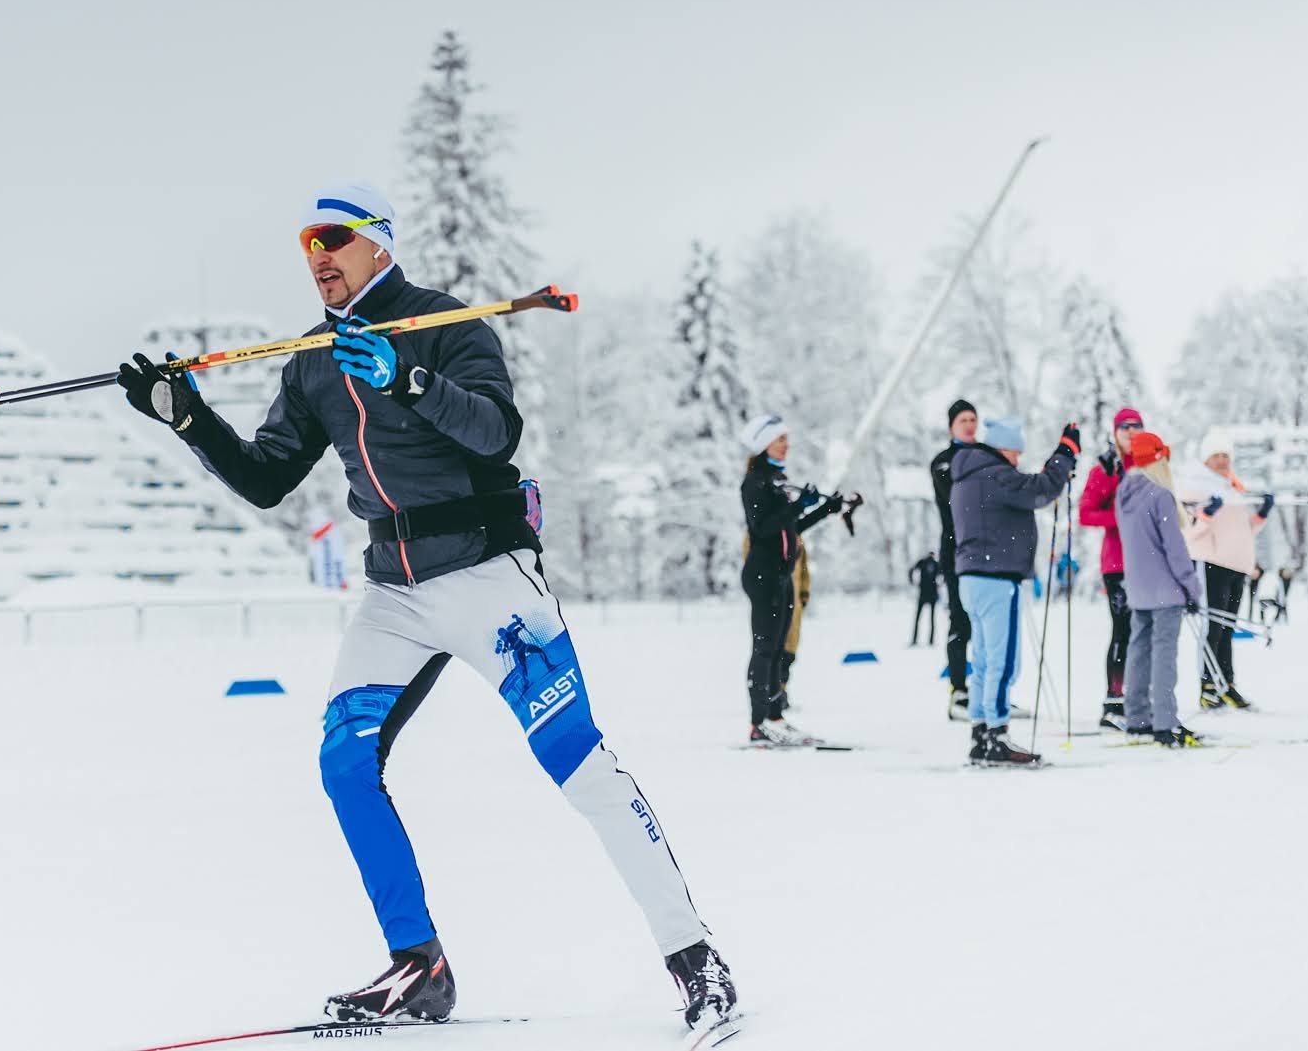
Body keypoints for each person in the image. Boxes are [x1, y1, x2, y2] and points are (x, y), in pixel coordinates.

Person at [115, 182, 735, 1030]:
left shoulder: (446, 323)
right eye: (307, 244)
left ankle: (697, 959)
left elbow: (496, 432)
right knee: (344, 764)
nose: (318, 255)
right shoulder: (311, 362)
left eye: (333, 237)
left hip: (487, 574)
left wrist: (409, 380)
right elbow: (266, 479)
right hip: (393, 595)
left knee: (577, 762)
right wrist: (186, 417)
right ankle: (421, 966)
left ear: (379, 243)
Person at [949, 416, 1079, 766]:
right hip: (996, 579)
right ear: (1003, 448)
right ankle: (997, 736)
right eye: (1015, 452)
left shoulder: (968, 474)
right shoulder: (994, 474)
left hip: (972, 579)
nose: (1017, 460)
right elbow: (1042, 488)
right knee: (1003, 663)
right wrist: (1065, 452)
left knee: (984, 662)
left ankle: (980, 734)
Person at [739, 414, 847, 745]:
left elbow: (789, 528)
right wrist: (798, 504)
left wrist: (824, 511)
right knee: (765, 649)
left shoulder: (776, 479)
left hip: (783, 575)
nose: (787, 445)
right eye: (780, 439)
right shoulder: (755, 482)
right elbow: (763, 528)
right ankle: (759, 722)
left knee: (780, 647)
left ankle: (775, 716)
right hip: (763, 575)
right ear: (763, 444)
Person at [1114, 433, 1203, 747]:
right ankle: (1165, 722)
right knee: (1164, 655)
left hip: (1138, 589)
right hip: (1166, 591)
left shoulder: (1124, 493)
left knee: (1138, 651)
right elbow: (1175, 550)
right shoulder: (1160, 495)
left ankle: (1137, 716)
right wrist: (1192, 588)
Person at [1179, 435, 1273, 710]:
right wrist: (1206, 514)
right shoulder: (1195, 487)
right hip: (1212, 564)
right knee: (1213, 627)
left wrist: (1262, 515)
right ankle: (1208, 686)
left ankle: (1226, 684)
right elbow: (1188, 534)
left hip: (1237, 566)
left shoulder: (1234, 489)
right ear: (1205, 459)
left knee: (1227, 628)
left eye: (1226, 456)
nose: (1222, 461)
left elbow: (1246, 530)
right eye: (1216, 455)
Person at [1078, 407, 1145, 729]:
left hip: (1148, 562)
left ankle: (1137, 698)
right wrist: (1119, 519)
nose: (1131, 432)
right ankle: (1113, 702)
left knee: (1144, 632)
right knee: (1123, 629)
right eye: (1125, 428)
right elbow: (1085, 513)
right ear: (1115, 432)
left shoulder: (1151, 465)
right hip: (1118, 563)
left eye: (1137, 427)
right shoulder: (1106, 467)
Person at [930, 399, 978, 719]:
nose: (970, 425)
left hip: (986, 549)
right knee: (960, 620)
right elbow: (955, 496)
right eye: (963, 420)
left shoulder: (986, 455)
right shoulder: (943, 462)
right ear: (951, 427)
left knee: (987, 623)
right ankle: (958, 690)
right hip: (955, 549)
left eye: (974, 419)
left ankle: (990, 688)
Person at [779, 544, 813, 710]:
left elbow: (804, 568)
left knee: (790, 652)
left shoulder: (797, 536)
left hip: (795, 605)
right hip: (776, 601)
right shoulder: (761, 529)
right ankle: (772, 694)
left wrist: (804, 593)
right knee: (773, 650)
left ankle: (782, 690)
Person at [908, 552, 941, 646]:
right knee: (931, 619)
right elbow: (943, 574)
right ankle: (931, 641)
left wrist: (912, 581)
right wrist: (940, 584)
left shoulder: (923, 562)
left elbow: (911, 570)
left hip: (923, 593)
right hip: (932, 594)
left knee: (918, 618)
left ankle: (915, 639)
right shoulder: (935, 564)